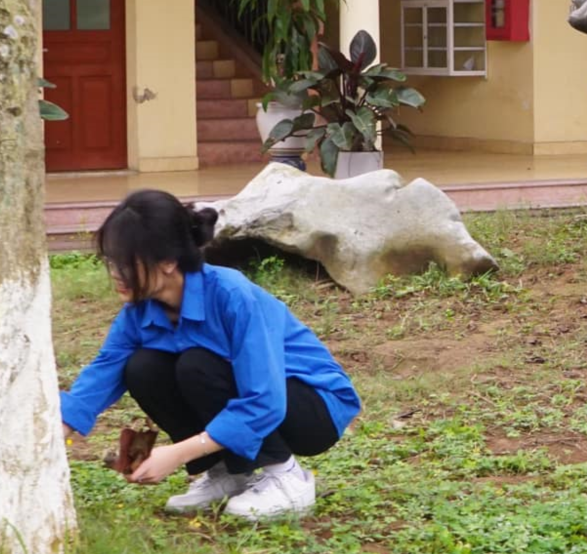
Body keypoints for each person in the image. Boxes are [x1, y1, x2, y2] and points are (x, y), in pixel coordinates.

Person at [60, 190, 361, 522]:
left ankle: (286, 478)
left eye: (127, 262)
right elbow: (101, 375)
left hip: (312, 407)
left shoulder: (231, 295)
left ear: (168, 261)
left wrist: (177, 454)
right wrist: (53, 435)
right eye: (111, 261)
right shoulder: (139, 312)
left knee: (197, 364)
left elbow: (265, 399)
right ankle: (228, 474)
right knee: (143, 367)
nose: (117, 273)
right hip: (262, 399)